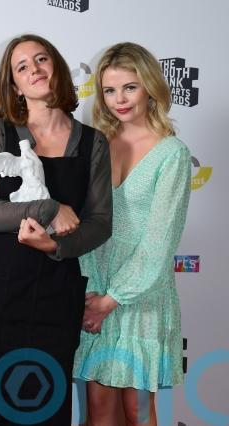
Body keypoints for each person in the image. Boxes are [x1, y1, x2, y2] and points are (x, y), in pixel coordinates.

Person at [0, 34, 112, 425]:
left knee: (41, 405)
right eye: (22, 67)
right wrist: (49, 208)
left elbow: (101, 223)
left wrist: (54, 245)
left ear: (58, 68)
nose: (34, 69)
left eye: (41, 59)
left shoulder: (93, 143)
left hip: (56, 295)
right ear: (14, 85)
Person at [73, 42, 191, 426]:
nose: (119, 100)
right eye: (109, 90)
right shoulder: (97, 146)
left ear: (149, 87)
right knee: (99, 411)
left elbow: (159, 242)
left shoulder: (171, 153)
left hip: (141, 298)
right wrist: (92, 294)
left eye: (129, 87)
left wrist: (111, 300)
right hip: (97, 289)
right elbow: (86, 223)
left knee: (138, 412)